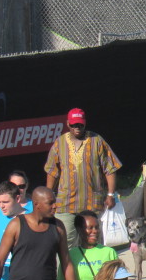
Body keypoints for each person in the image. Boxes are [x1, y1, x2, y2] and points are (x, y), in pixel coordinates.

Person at [45, 107, 122, 249]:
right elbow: (52, 171)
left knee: (92, 242)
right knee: (65, 242)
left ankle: (94, 271)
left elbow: (110, 168)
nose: (77, 127)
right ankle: (67, 270)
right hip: (66, 204)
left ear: (85, 123)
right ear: (68, 124)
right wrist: (49, 197)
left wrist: (110, 194)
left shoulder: (96, 141)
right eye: (74, 124)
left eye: (80, 124)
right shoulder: (59, 143)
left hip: (91, 202)